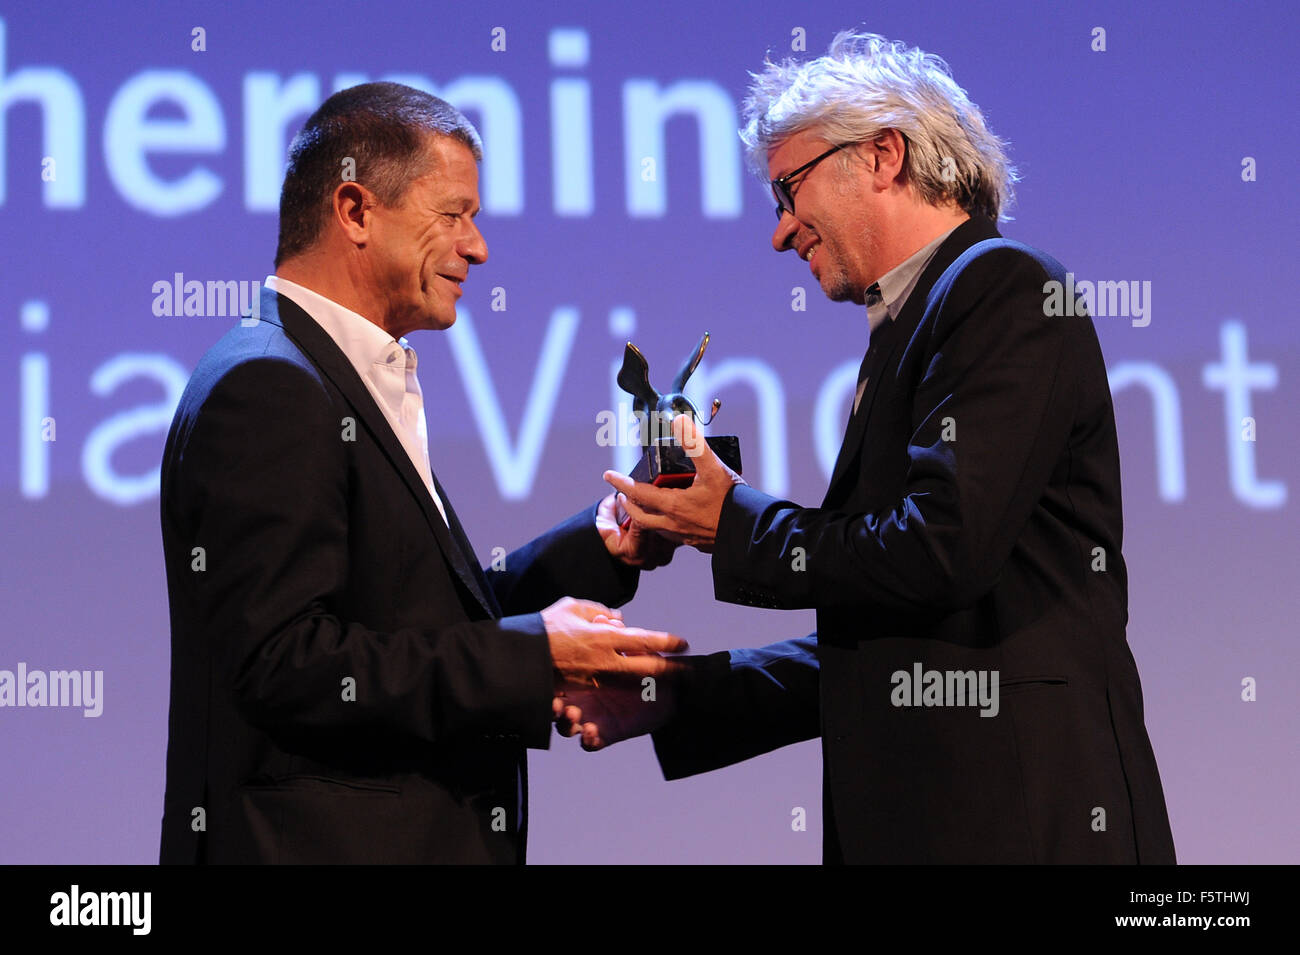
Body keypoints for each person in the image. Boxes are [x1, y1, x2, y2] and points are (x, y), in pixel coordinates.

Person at [561, 32, 1176, 864]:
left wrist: (733, 522)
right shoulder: (916, 325)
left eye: (788, 188)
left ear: (883, 154)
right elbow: (883, 641)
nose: (780, 232)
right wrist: (677, 697)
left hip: (1025, 829)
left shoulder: (1004, 289)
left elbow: (937, 552)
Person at [158, 82, 681, 864]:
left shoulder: (333, 373)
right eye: (455, 214)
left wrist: (602, 545)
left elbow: (417, 624)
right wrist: (534, 656)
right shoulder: (268, 386)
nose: (479, 247)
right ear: (356, 210)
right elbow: (286, 662)